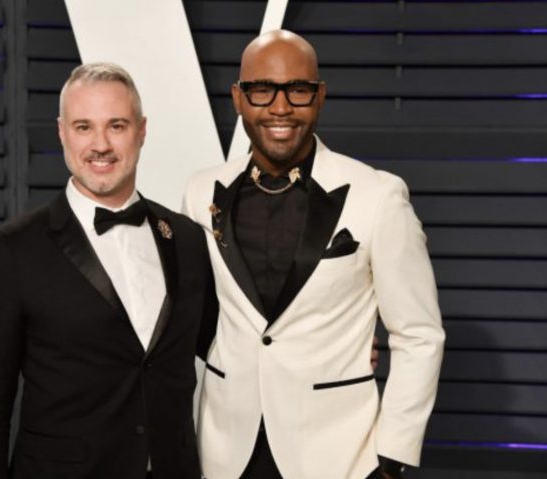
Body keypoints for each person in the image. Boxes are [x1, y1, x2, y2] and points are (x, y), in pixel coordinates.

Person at [183, 30, 445, 479]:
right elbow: (197, 319)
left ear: (319, 96)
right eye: (262, 90)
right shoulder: (200, 191)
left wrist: (391, 457)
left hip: (338, 454)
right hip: (224, 449)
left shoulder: (378, 196)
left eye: (297, 90)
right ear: (238, 98)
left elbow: (419, 334)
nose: (280, 107)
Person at [0, 62, 215, 479]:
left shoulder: (186, 239)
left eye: (117, 126)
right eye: (83, 127)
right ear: (62, 132)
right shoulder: (13, 251)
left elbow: (227, 347)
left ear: (142, 131)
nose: (101, 145)